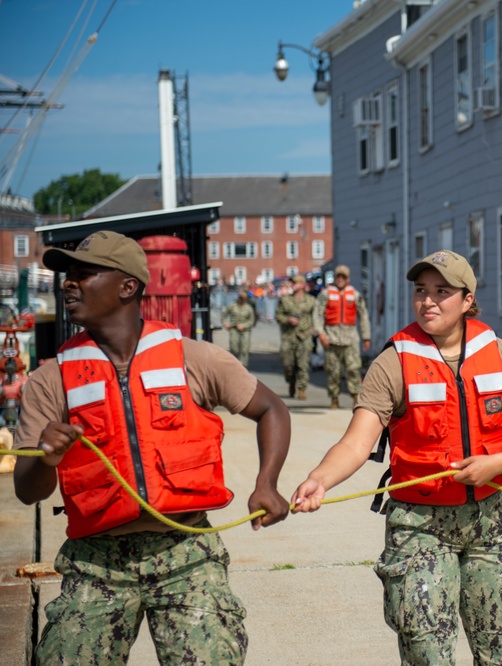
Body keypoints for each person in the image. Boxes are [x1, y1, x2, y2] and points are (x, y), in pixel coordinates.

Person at [12, 230, 291, 664]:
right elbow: (28, 491)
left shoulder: (193, 358)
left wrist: (267, 483)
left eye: (84, 274)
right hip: (95, 561)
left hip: (186, 552)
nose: (68, 283)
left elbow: (271, 409)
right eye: (67, 275)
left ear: (128, 287)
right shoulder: (50, 380)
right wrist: (48, 458)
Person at [292, 250, 502, 665]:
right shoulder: (393, 362)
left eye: (442, 291)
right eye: (421, 290)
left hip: (493, 521)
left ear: (468, 300)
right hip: (420, 526)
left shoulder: (501, 355)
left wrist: (497, 464)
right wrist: (320, 479)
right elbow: (356, 443)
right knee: (425, 650)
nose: (428, 301)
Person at [312, 264, 372, 409]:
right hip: (331, 338)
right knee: (333, 371)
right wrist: (321, 333)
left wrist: (366, 337)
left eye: (343, 277)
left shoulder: (356, 295)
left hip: (350, 338)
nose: (340, 279)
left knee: (353, 369)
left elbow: (363, 316)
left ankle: (356, 397)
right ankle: (334, 398)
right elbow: (317, 314)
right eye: (338, 276)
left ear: (348, 279)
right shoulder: (325, 294)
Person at [276, 275, 316, 400]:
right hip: (288, 336)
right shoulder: (285, 300)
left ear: (303, 285)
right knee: (288, 364)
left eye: (296, 282)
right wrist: (288, 319)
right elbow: (278, 316)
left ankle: (302, 388)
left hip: (304, 336)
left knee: (303, 364)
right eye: (292, 282)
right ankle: (291, 381)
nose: (293, 284)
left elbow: (317, 316)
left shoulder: (311, 301)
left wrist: (313, 328)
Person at [222, 289, 256, 367]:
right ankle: (234, 365)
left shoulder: (248, 308)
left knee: (244, 349)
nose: (241, 300)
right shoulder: (232, 305)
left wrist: (244, 325)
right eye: (240, 298)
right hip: (234, 329)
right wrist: (225, 323)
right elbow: (224, 314)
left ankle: (243, 366)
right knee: (234, 348)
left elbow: (252, 321)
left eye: (243, 299)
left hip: (245, 330)